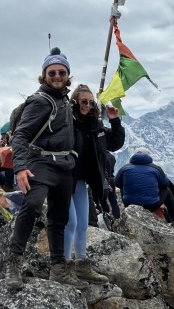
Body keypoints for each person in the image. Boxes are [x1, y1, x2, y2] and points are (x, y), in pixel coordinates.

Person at [5, 47, 87, 291]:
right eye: (52, 72)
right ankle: (13, 264)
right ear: (44, 76)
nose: (57, 75)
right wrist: (20, 168)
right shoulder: (41, 101)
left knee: (59, 218)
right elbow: (20, 136)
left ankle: (58, 269)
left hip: (64, 167)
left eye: (62, 71)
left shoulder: (65, 102)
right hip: (41, 164)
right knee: (31, 206)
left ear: (68, 75)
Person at [63, 84, 125, 284]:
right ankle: (63, 267)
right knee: (70, 222)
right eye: (84, 101)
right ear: (74, 102)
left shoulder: (94, 125)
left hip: (81, 180)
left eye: (91, 102)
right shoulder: (66, 122)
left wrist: (115, 121)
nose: (88, 105)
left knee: (82, 224)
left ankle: (81, 264)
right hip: (63, 178)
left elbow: (114, 143)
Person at [115, 147, 174, 227]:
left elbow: (117, 183)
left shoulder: (125, 168)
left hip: (129, 203)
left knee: (124, 186)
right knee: (167, 190)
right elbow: (165, 184)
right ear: (148, 157)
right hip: (151, 205)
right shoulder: (155, 168)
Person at [98, 151, 121, 220]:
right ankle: (118, 218)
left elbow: (103, 171)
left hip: (103, 180)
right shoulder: (112, 157)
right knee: (113, 201)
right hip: (111, 179)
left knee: (103, 201)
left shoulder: (101, 156)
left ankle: (106, 218)